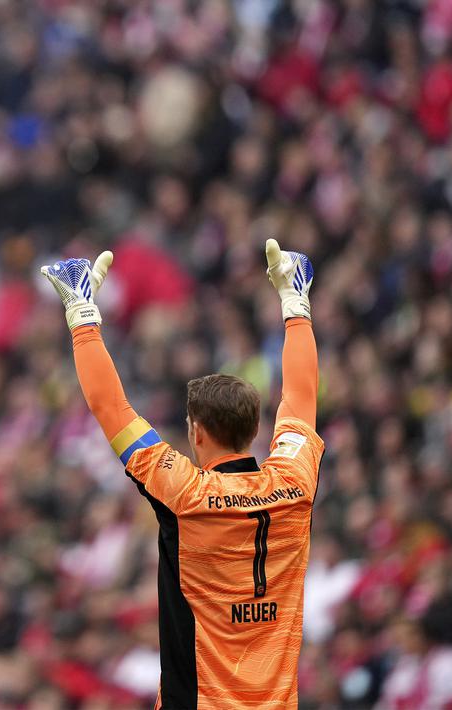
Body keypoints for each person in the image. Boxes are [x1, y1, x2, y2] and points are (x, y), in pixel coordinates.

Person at [40, 239, 322, 709]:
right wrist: (296, 303)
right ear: (256, 430)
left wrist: (82, 313)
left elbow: (109, 407)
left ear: (195, 432)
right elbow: (302, 398)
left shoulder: (186, 494)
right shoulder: (295, 481)